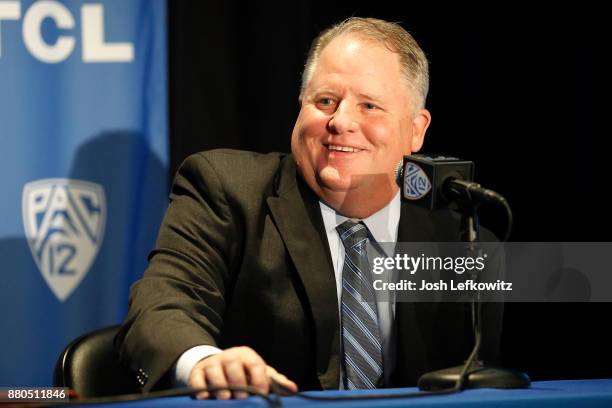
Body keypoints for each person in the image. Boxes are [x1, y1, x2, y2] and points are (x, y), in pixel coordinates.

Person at [115, 17, 502, 400]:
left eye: (369, 105)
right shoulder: (227, 189)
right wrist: (201, 363)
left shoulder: (463, 242)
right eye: (325, 101)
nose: (341, 121)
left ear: (417, 129)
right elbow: (161, 306)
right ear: (300, 107)